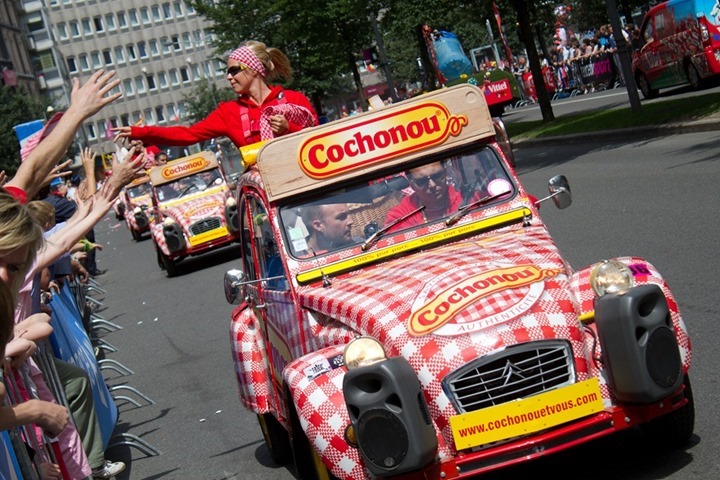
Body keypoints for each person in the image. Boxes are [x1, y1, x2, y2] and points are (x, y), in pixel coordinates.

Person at [113, 40, 319, 149]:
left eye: (233, 70)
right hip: (265, 193)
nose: (228, 77)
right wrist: (140, 132)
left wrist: (289, 128)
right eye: (226, 72)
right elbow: (188, 135)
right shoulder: (228, 112)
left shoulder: (294, 100)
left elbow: (319, 140)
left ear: (254, 69)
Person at [384, 162, 463, 232]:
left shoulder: (466, 200)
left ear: (445, 173)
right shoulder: (401, 216)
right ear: (412, 185)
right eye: (422, 181)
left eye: (437, 176)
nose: (432, 185)